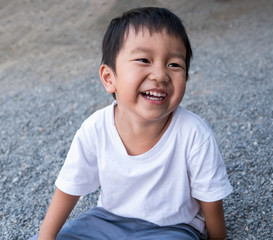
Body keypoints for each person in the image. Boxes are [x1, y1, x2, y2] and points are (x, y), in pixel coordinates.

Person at [30, 7, 233, 240]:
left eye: (174, 64)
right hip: (105, 220)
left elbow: (211, 199)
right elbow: (69, 188)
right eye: (144, 60)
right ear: (109, 78)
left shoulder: (194, 133)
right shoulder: (95, 128)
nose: (160, 75)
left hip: (171, 228)